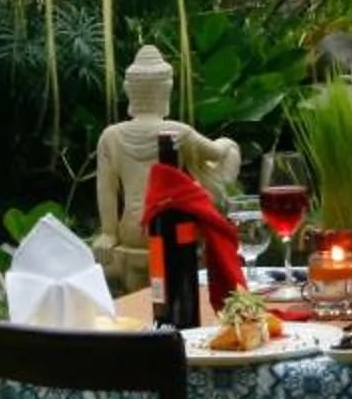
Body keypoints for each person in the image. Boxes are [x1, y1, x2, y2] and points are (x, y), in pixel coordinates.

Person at [88, 45, 240, 294]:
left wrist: (108, 233)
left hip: (130, 233)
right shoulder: (179, 132)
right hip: (169, 230)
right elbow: (217, 154)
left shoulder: (111, 136)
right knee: (229, 153)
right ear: (166, 91)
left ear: (130, 91)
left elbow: (105, 189)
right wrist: (228, 143)